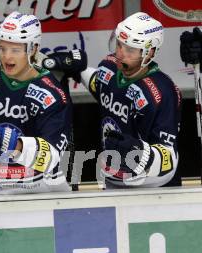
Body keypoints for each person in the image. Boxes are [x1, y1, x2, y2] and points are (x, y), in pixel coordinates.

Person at [0, 11, 73, 195]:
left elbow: (52, 158)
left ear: (33, 49)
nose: (6, 57)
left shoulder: (52, 95)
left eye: (15, 50)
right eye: (2, 48)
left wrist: (15, 144)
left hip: (36, 187)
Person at [77, 12, 182, 188]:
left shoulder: (162, 92)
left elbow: (169, 158)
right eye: (119, 44)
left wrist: (140, 153)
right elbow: (101, 86)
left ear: (150, 53)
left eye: (130, 50)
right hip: (111, 177)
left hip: (153, 189)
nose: (120, 54)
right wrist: (78, 69)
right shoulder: (109, 66)